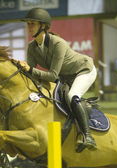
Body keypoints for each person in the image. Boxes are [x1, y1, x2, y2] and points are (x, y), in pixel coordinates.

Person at [15, 8, 97, 152]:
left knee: (73, 96)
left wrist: (29, 69)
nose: (29, 27)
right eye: (28, 24)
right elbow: (32, 75)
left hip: (84, 70)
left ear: (43, 26)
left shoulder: (58, 43)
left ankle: (87, 136)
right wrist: (18, 69)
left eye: (32, 24)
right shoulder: (31, 47)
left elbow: (52, 76)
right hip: (65, 76)